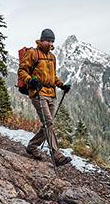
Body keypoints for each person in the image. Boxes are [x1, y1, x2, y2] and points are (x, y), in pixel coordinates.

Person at [18, 28, 72, 167]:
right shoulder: (33, 53)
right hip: (38, 93)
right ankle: (57, 155)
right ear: (41, 40)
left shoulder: (52, 57)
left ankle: (32, 146)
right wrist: (30, 80)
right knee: (49, 123)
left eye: (52, 41)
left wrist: (62, 85)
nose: (50, 43)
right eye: (47, 40)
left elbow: (53, 77)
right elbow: (22, 70)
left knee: (47, 125)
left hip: (51, 95)